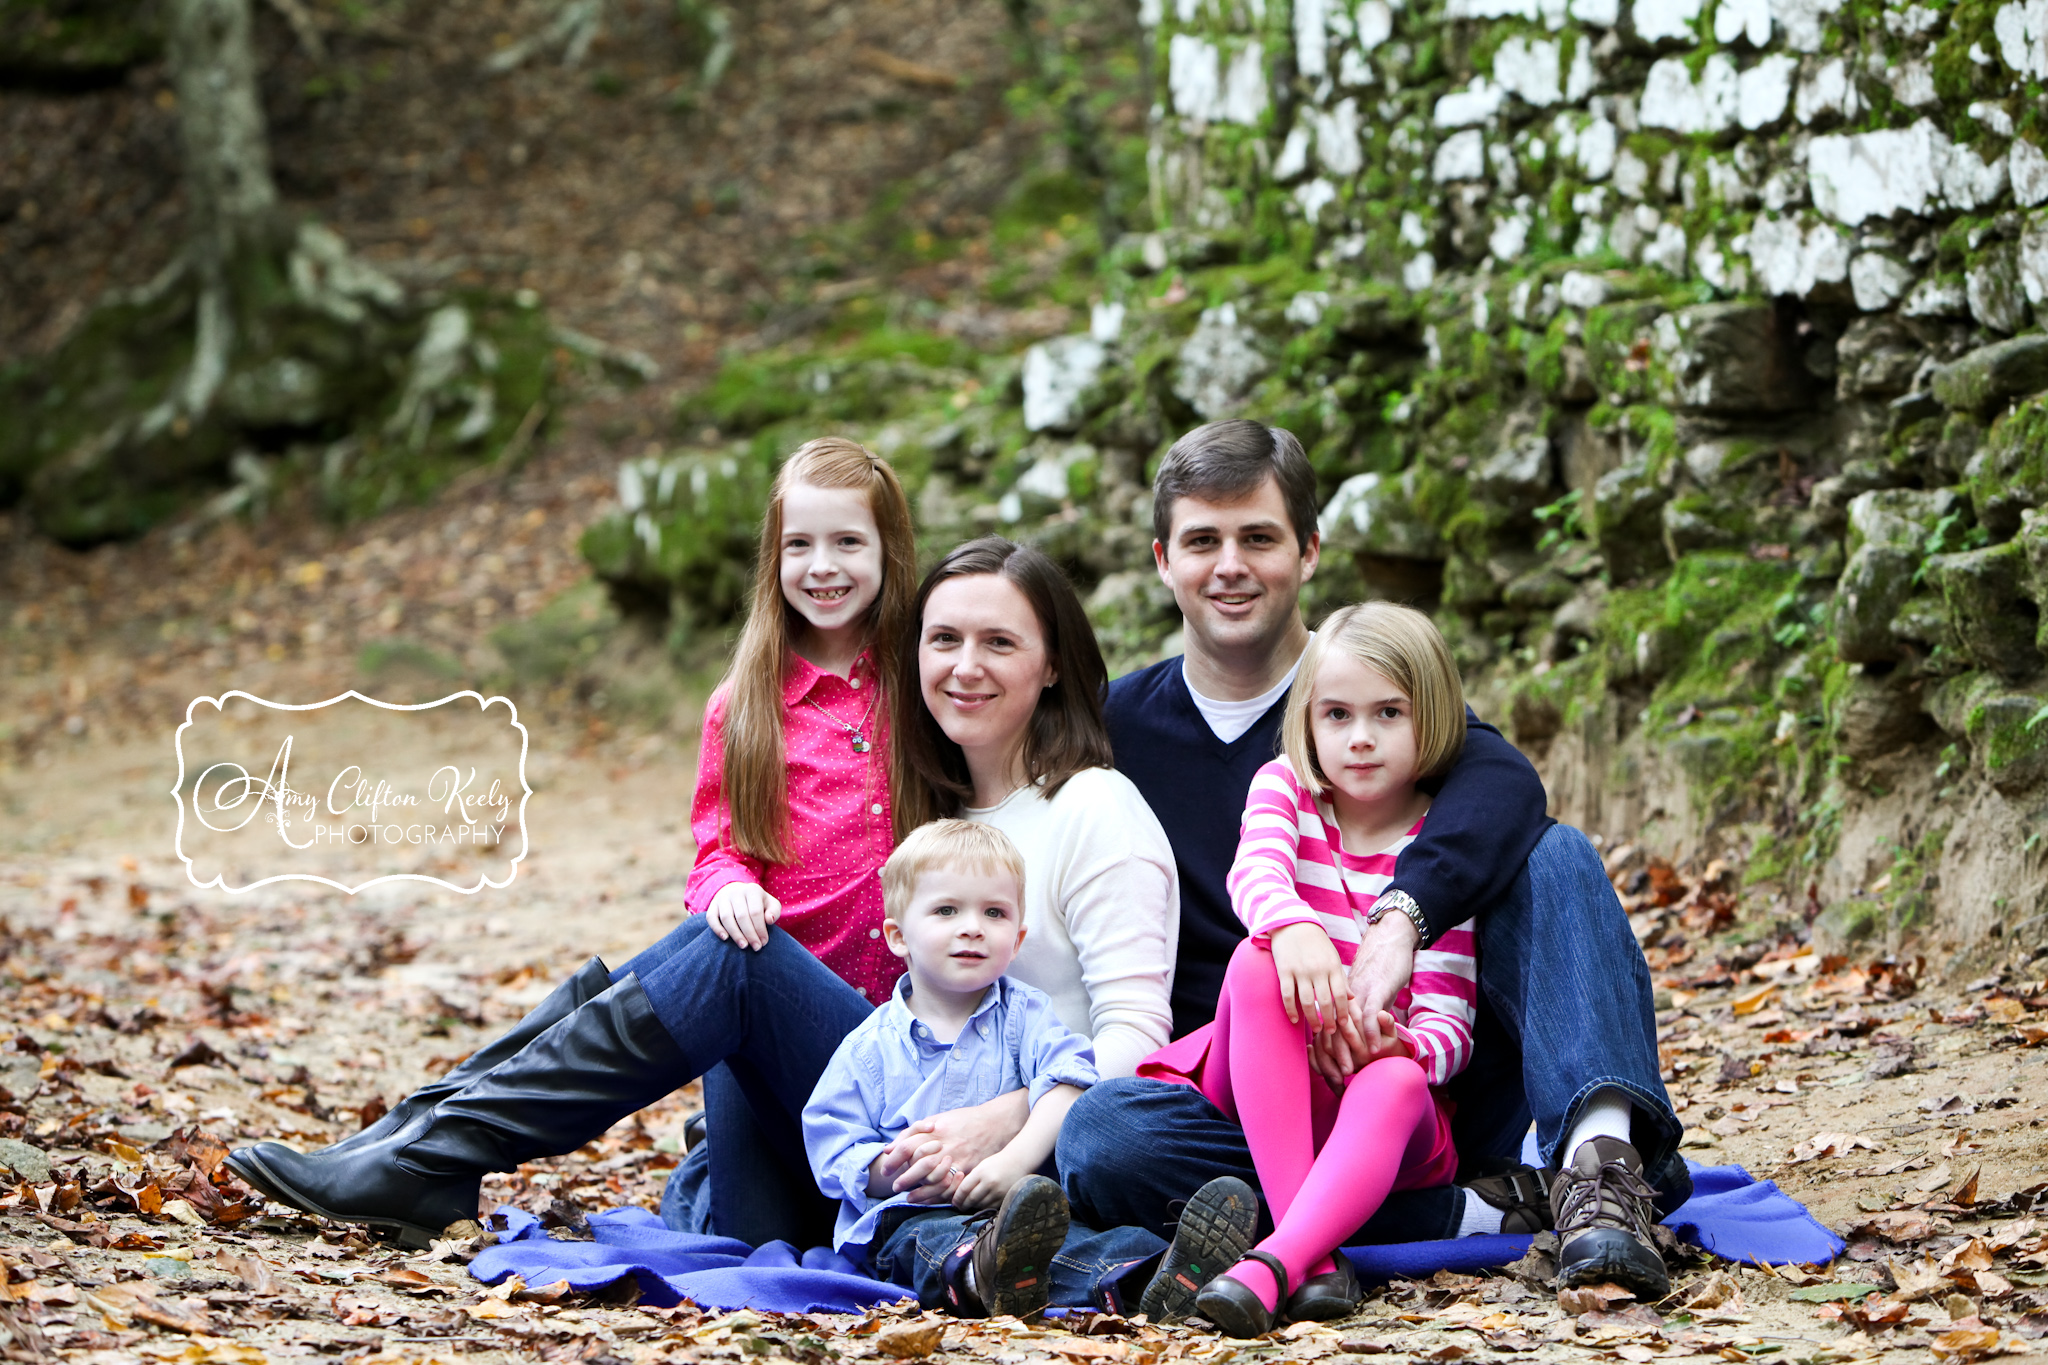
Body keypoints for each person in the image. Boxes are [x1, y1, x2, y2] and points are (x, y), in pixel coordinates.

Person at [1058, 420, 1687, 1300]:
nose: (1230, 565)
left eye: (1260, 538)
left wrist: (1403, 916)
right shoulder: (1112, 728)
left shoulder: (1374, 690)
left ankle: (1598, 1173)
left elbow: (1507, 785)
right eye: (1203, 541)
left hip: (1422, 1082)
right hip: (1256, 1094)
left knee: (1554, 855)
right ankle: (1448, 1215)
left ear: (1309, 551)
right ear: (1164, 559)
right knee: (1101, 1137)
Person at [1138, 602, 1479, 1334]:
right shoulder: (1286, 788)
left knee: (1397, 1078)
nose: (1359, 738)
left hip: (1380, 1112)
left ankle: (1278, 1260)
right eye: (1336, 714)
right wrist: (1291, 925)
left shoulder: (1445, 843)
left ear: (1435, 716)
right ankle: (1310, 1255)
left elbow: (1451, 1023)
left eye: (1389, 712)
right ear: (1308, 721)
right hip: (1273, 1083)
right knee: (1255, 961)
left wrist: (1398, 1045)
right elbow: (1255, 873)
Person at [804, 819, 1100, 1318]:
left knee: (1078, 1236)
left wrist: (1014, 1161)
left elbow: (1070, 1080)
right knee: (923, 1241)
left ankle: (1152, 1271)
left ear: (1018, 937)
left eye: (994, 912)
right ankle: (976, 1275)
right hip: (913, 1214)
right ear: (898, 936)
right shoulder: (869, 1048)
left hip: (1018, 1201)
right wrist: (895, 1170)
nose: (973, 926)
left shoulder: (1025, 1016)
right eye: (947, 910)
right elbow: (834, 1146)